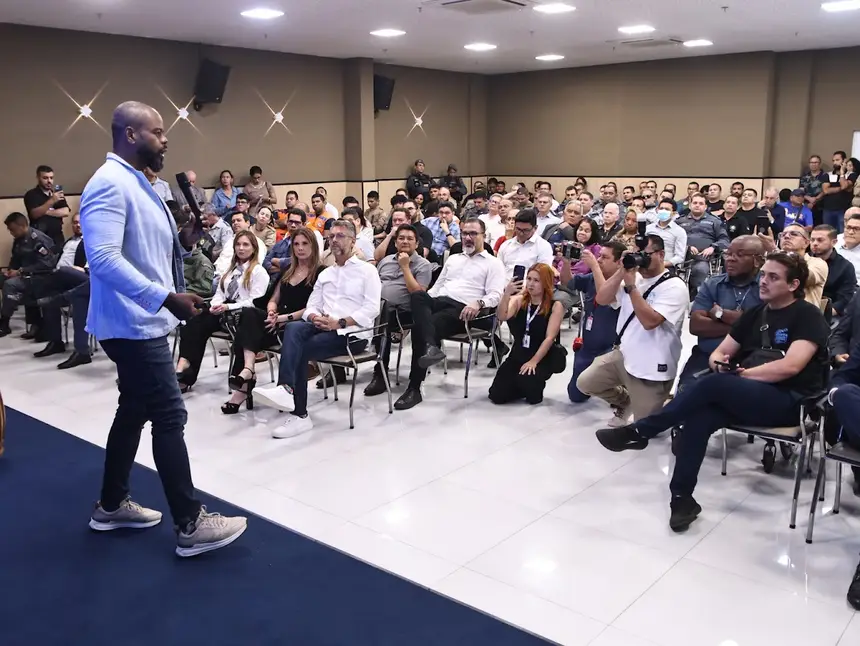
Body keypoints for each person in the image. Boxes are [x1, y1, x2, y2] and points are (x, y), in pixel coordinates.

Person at [80, 101, 246, 556]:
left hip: (143, 319)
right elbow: (104, 260)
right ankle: (191, 524)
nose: (166, 139)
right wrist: (165, 298)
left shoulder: (141, 183)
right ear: (131, 135)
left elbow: (143, 250)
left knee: (134, 409)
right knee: (170, 415)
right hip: (132, 324)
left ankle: (111, 505)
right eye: (158, 131)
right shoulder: (109, 184)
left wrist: (184, 239)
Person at [596, 251, 830, 532]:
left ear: (793, 285)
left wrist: (742, 375)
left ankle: (640, 431)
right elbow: (721, 351)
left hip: (790, 400)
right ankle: (681, 499)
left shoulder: (807, 315)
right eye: (763, 275)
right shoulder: (756, 313)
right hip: (749, 393)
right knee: (699, 418)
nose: (763, 282)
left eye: (773, 277)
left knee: (713, 384)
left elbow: (790, 367)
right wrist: (719, 363)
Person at [255, 220, 382, 437]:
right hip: (323, 326)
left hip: (351, 334)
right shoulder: (327, 274)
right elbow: (311, 306)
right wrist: (314, 316)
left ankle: (299, 415)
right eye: (331, 236)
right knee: (294, 328)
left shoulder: (367, 271)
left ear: (353, 240)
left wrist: (339, 323)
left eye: (340, 236)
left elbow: (372, 309)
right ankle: (286, 389)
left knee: (302, 349)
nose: (334, 240)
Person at [393, 218, 506, 411]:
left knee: (422, 329)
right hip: (441, 301)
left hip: (464, 310)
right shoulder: (453, 259)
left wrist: (478, 303)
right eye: (464, 234)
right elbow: (437, 288)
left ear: (483, 236)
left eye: (473, 234)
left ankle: (414, 388)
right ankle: (431, 346)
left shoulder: (493, 263)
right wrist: (425, 306)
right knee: (419, 296)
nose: (468, 238)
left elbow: (496, 295)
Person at [577, 235, 689, 425]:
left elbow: (650, 321)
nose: (641, 260)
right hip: (624, 356)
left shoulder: (674, 286)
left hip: (652, 367)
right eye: (638, 254)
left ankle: (663, 400)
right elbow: (602, 299)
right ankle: (626, 401)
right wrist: (622, 271)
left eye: (646, 255)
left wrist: (630, 286)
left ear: (661, 255)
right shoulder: (633, 275)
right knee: (585, 383)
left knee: (646, 426)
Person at [224, 227, 323, 413]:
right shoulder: (289, 269)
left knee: (248, 332)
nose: (300, 248)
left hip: (298, 324)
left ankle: (245, 386)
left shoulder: (320, 272)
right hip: (276, 320)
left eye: (304, 243)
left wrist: (283, 319)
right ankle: (248, 369)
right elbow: (273, 299)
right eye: (296, 244)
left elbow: (314, 307)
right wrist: (271, 312)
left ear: (313, 246)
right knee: (249, 315)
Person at [175, 231, 268, 392]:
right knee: (195, 319)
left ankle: (240, 382)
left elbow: (255, 302)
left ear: (254, 248)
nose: (241, 248)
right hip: (224, 313)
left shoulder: (259, 272)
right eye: (238, 245)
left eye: (246, 245)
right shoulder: (231, 270)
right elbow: (219, 294)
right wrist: (215, 305)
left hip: (244, 315)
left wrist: (227, 307)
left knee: (245, 320)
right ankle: (185, 366)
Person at [677, 235, 764, 390]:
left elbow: (765, 326)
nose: (731, 259)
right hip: (706, 356)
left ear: (757, 260)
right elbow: (696, 325)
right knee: (685, 394)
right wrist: (744, 326)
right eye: (728, 254)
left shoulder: (766, 287)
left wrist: (719, 314)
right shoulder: (713, 284)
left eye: (740, 254)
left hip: (752, 359)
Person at [364, 223, 433, 396]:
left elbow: (418, 294)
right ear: (395, 242)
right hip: (377, 310)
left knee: (385, 317)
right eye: (401, 238)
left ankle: (380, 374)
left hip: (405, 313)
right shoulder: (385, 261)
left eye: (410, 239)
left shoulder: (423, 265)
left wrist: (405, 267)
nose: (405, 241)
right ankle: (338, 370)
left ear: (417, 244)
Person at [488, 264, 564, 405]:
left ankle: (532, 384)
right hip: (518, 353)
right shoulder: (519, 301)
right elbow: (502, 316)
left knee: (532, 395)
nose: (531, 284)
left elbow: (550, 338)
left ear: (545, 282)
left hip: (541, 356)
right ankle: (518, 385)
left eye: (536, 280)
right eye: (529, 279)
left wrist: (534, 361)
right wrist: (506, 294)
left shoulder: (555, 305)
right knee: (496, 395)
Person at [566, 241, 624, 403]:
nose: (598, 260)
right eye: (599, 256)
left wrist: (594, 266)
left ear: (619, 263)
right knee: (575, 396)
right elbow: (568, 282)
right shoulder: (591, 278)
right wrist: (565, 261)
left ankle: (623, 387)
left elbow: (605, 296)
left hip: (610, 349)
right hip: (587, 346)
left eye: (604, 257)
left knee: (613, 398)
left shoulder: (622, 284)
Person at [0, 212, 58, 337]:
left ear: (21, 226)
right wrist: (10, 271)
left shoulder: (38, 239)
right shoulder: (19, 240)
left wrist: (20, 271)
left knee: (11, 285)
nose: (11, 233)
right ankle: (10, 312)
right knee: (3, 279)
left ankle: (4, 323)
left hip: (40, 277)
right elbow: (15, 259)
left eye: (12, 229)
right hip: (25, 275)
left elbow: (48, 264)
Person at [761, 223, 828, 308]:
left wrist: (775, 251)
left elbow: (803, 278)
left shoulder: (817, 263)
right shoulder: (770, 262)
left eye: (794, 234)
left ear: (806, 243)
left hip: (804, 316)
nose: (786, 236)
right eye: (783, 234)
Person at [676, 193, 730, 298]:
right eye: (695, 203)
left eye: (701, 203)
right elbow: (672, 238)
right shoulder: (679, 221)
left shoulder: (715, 221)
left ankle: (695, 294)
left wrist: (713, 247)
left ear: (705, 207)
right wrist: (687, 247)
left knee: (700, 270)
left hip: (703, 258)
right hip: (681, 257)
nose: (697, 205)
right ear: (690, 205)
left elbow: (725, 240)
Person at [810, 224, 856, 317]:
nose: (815, 243)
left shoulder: (845, 267)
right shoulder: (804, 261)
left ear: (834, 242)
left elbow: (844, 299)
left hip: (829, 315)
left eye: (820, 240)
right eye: (812, 240)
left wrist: (823, 315)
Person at [24, 165, 70, 249]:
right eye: (45, 178)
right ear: (38, 178)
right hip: (39, 238)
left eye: (51, 178)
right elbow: (34, 214)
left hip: (57, 237)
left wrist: (45, 211)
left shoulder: (57, 194)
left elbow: (66, 212)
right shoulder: (31, 194)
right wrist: (52, 201)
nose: (49, 181)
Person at [820, 151, 857, 233]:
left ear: (844, 161)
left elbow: (844, 186)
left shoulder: (851, 175)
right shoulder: (827, 175)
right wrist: (842, 188)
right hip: (828, 209)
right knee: (827, 233)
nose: (835, 162)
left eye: (837, 160)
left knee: (842, 233)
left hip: (843, 209)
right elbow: (826, 190)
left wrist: (842, 173)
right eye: (833, 160)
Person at [645, 199, 687, 268]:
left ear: (674, 213)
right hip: (647, 264)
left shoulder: (679, 231)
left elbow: (679, 257)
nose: (663, 211)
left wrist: (662, 265)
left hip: (666, 266)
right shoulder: (648, 228)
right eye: (661, 208)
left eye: (667, 209)